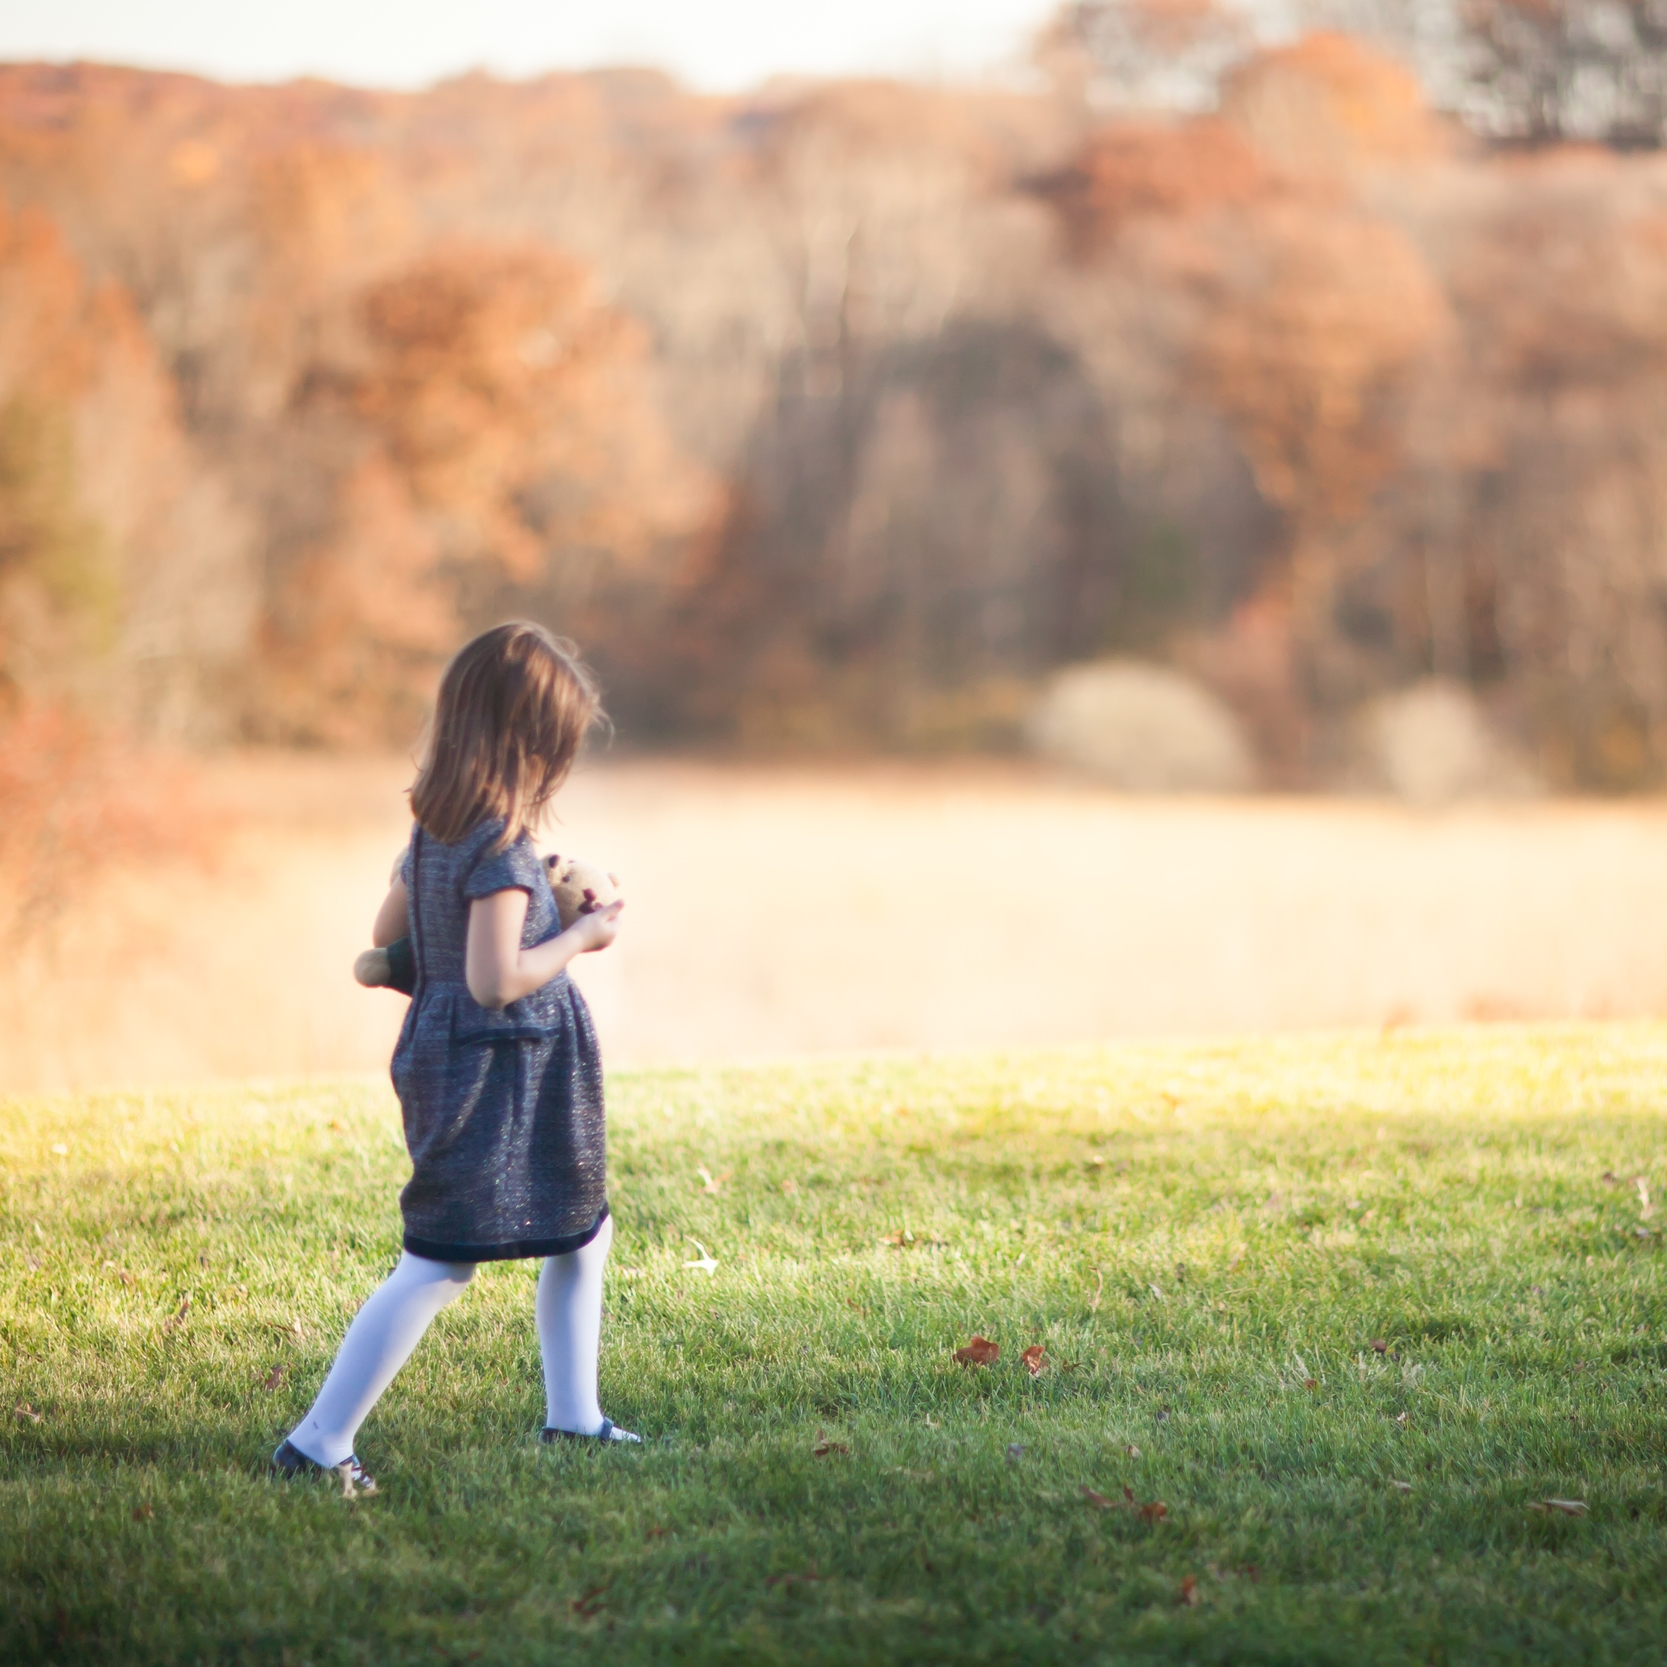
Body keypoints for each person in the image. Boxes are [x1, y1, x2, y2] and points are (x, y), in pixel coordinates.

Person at [273, 622, 635, 1493]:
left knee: (583, 1229)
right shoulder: (502, 849)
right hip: (496, 1072)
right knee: (439, 1258)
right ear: (531, 744)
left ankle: (574, 1419)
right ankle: (319, 1443)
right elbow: (496, 978)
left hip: (462, 1063)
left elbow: (385, 936)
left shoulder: (435, 830)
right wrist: (581, 933)